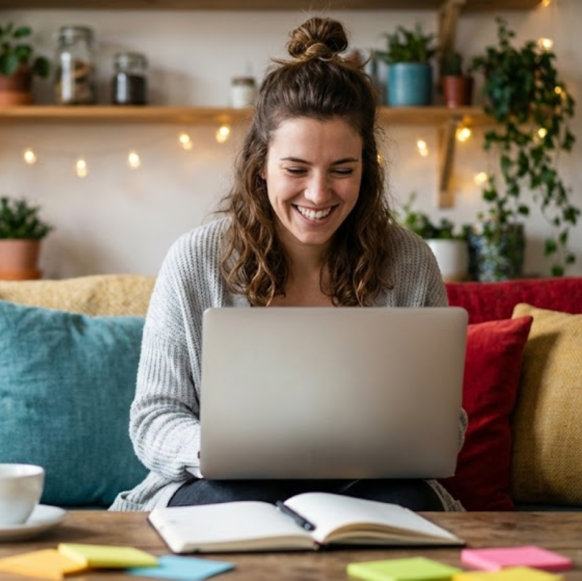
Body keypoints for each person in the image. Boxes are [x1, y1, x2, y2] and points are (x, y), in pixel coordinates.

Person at [109, 17, 466, 513]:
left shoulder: (410, 261)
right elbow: (154, 418)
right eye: (296, 170)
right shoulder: (195, 261)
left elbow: (446, 424)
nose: (318, 195)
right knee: (234, 501)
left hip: (366, 488)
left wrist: (406, 439)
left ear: (368, 166)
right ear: (260, 164)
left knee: (408, 503)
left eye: (343, 170)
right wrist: (214, 453)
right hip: (227, 485)